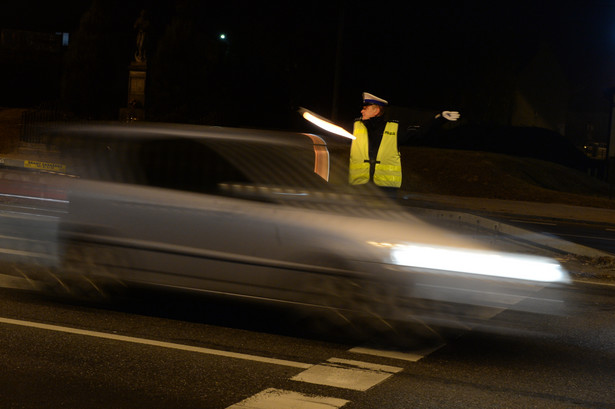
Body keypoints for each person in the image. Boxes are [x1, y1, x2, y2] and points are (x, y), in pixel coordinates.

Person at [348, 92, 460, 197]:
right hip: (359, 187)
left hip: (386, 189)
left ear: (376, 110)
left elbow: (420, 132)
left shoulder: (394, 128)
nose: (362, 111)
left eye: (365, 108)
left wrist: (439, 119)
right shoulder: (355, 126)